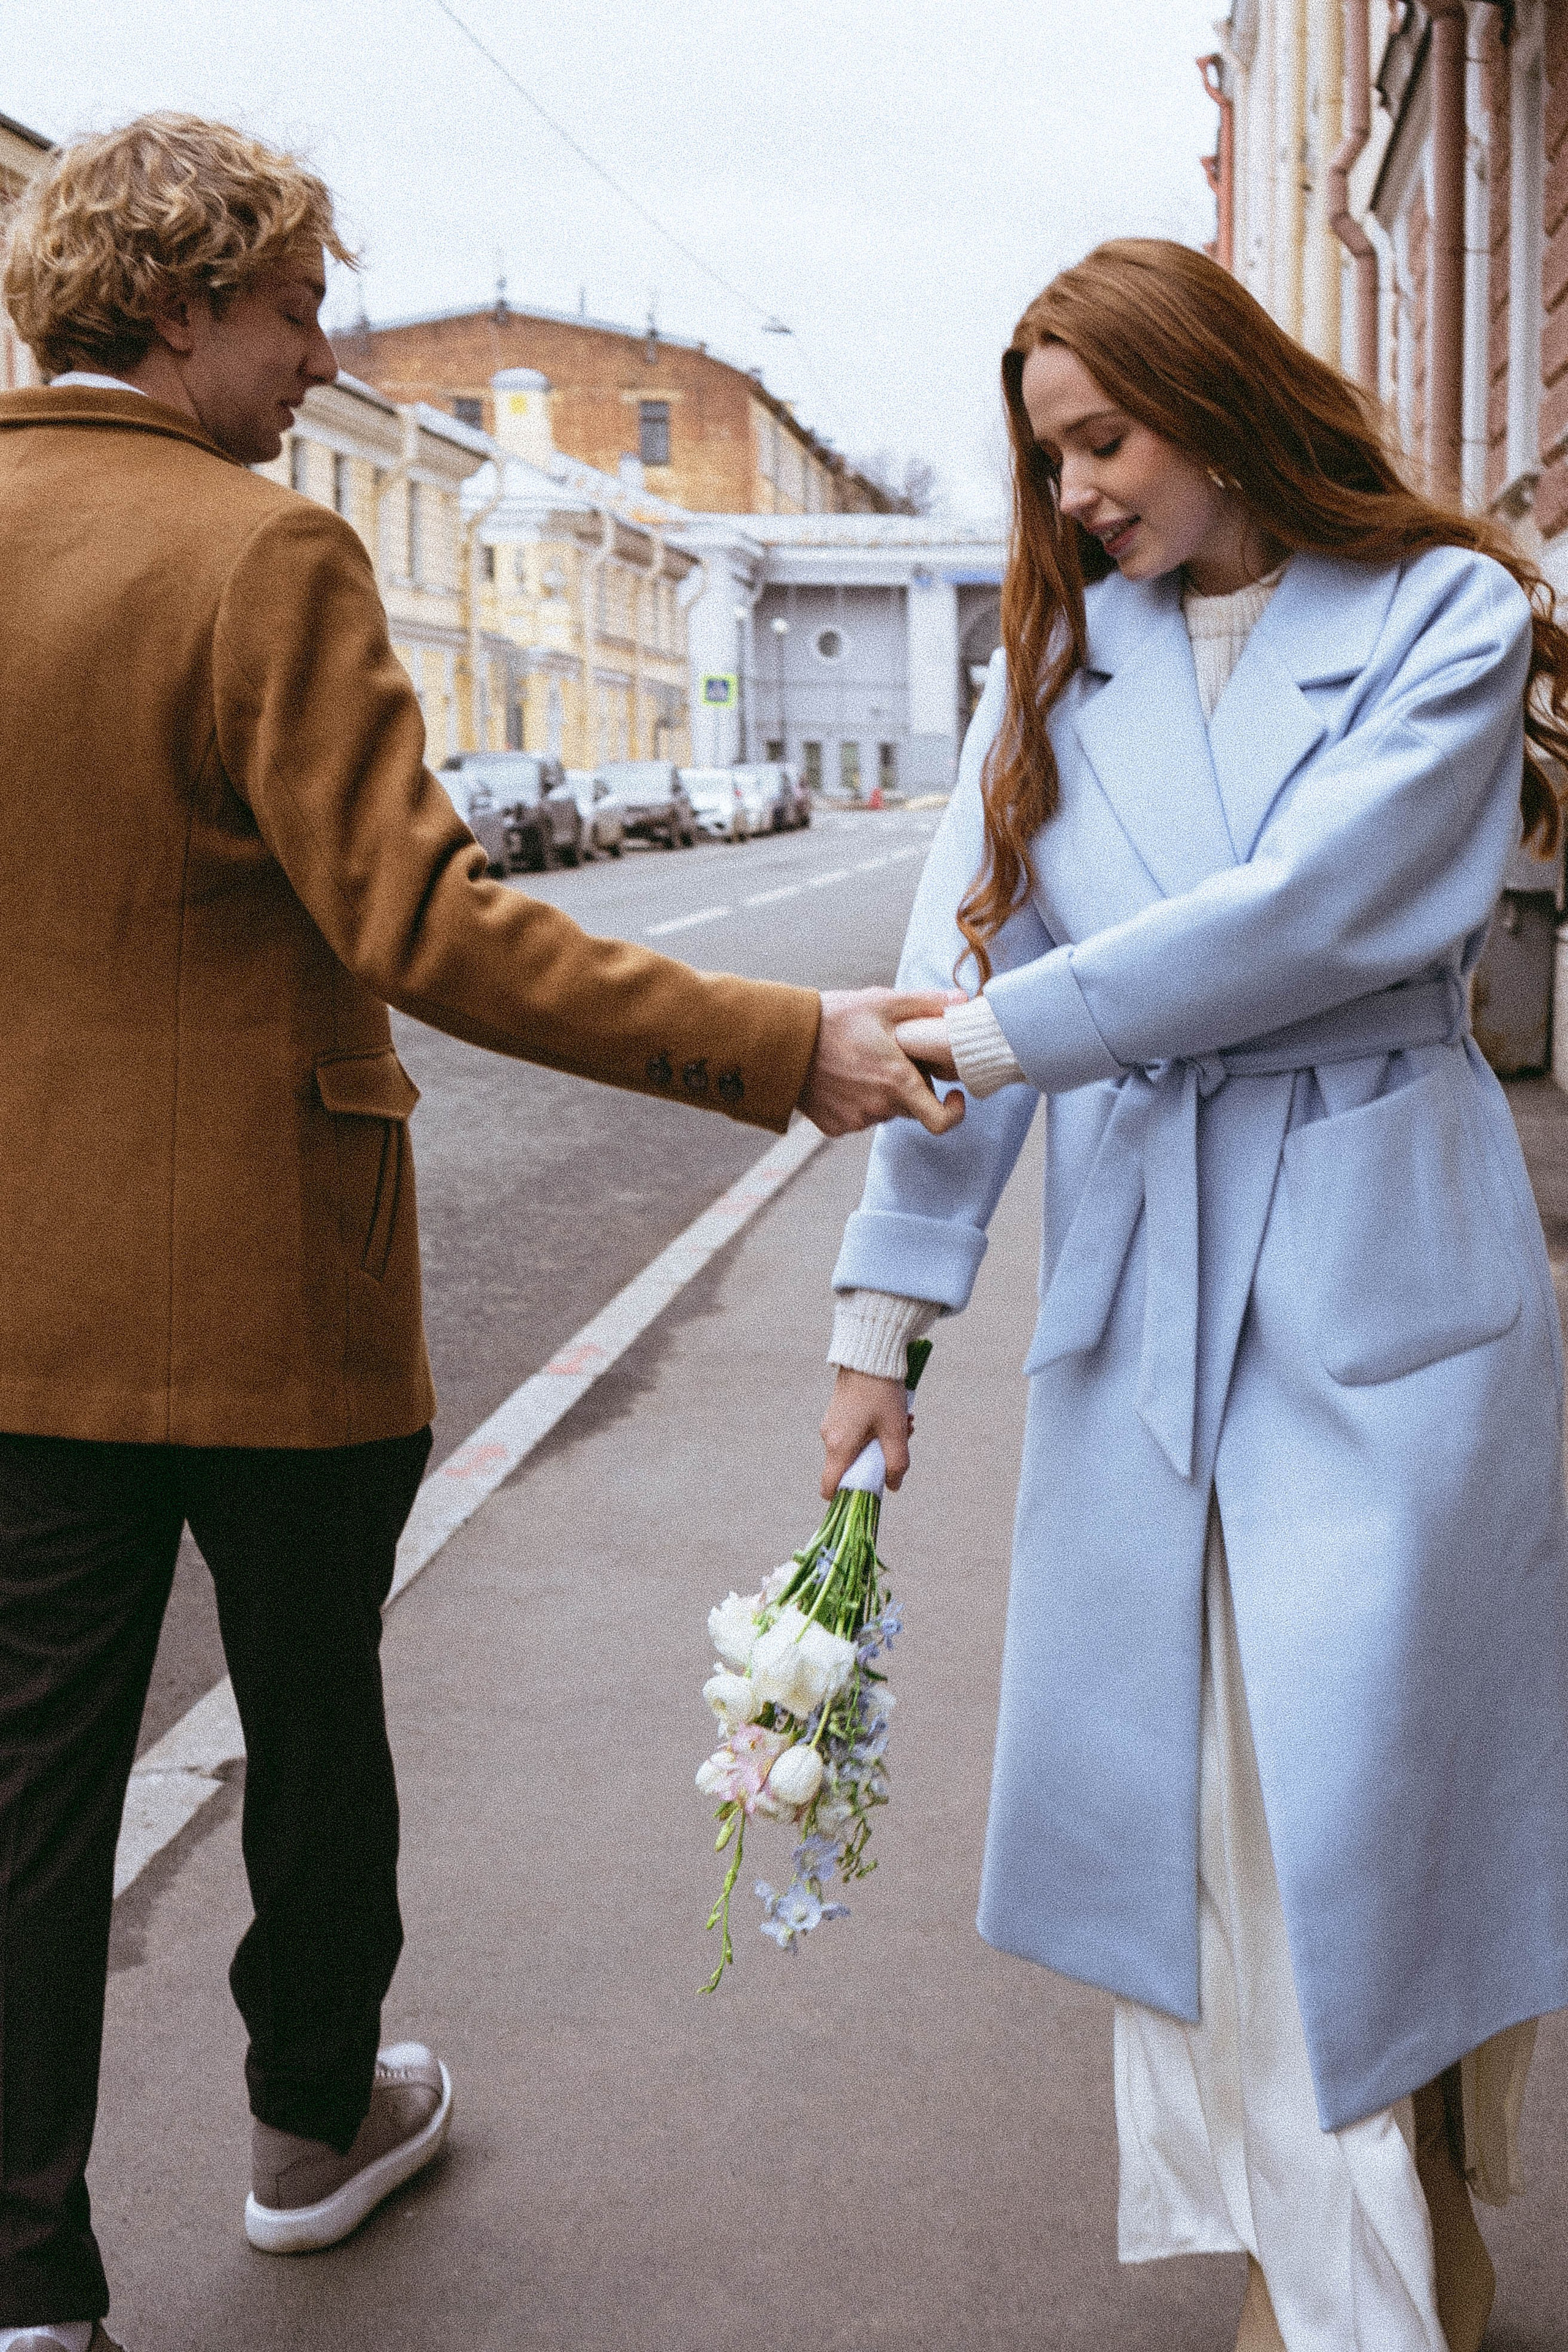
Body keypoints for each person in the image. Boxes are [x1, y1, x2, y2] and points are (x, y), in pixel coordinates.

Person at [0, 114, 961, 2352]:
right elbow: (424, 921)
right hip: (273, 1281)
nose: (320, 351)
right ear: (188, 303)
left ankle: (27, 2278)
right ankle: (311, 2134)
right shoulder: (259, 553)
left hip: (21, 1298)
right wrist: (775, 1041)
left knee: (34, 1780)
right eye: (298, 304)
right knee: (314, 1726)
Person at [820, 238, 1568, 2352]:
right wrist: (886, 1324)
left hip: (1381, 1262)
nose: (1071, 496)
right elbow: (948, 986)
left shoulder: (1447, 609)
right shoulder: (1055, 668)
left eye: (1104, 439)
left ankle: (1411, 2183)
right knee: (1221, 1795)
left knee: (1385, 1786)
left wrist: (996, 1038)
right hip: (1154, 1277)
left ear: (1222, 401)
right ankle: (1320, 2259)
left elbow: (1312, 914)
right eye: (1048, 456)